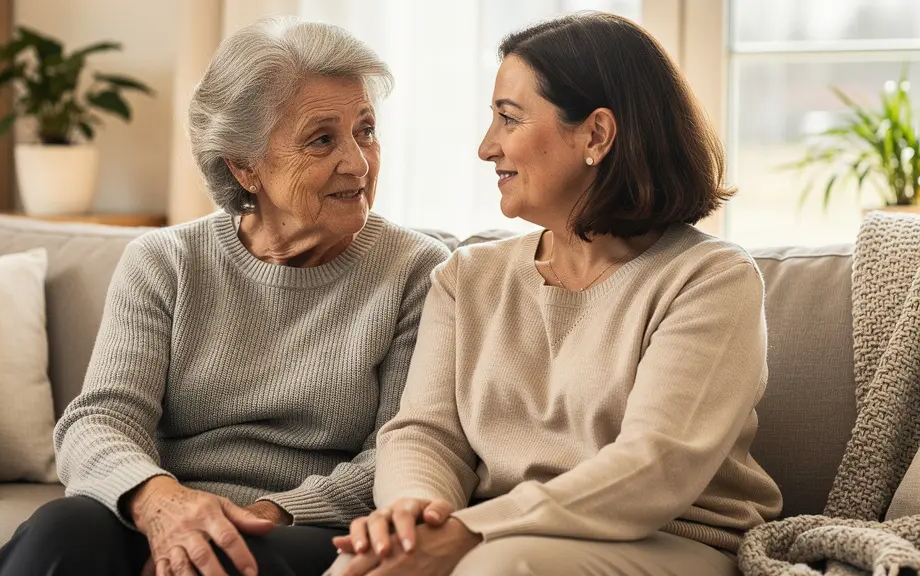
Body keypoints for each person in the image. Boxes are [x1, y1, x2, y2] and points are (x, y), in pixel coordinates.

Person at [0, 17, 450, 576]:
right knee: (63, 530)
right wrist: (160, 504)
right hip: (162, 512)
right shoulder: (166, 262)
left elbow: (399, 451)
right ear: (245, 167)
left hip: (302, 529)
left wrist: (251, 518)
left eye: (365, 130)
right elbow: (100, 419)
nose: (358, 161)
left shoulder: (417, 272)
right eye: (322, 139)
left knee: (231, 561)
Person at [330, 12, 783, 576]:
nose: (486, 147)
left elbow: (654, 467)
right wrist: (414, 520)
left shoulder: (709, 279)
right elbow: (426, 432)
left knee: (496, 569)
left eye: (508, 119)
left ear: (596, 133)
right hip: (497, 535)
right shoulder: (466, 277)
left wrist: (469, 531)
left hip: (672, 542)